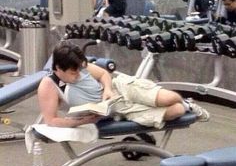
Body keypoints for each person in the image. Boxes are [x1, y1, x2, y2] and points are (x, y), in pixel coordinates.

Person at [37, 41, 210, 128]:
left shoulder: (79, 65)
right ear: (58, 68)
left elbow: (105, 73)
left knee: (170, 98)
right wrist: (82, 121)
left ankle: (188, 103)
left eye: (79, 71)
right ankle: (185, 106)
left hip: (120, 88)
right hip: (119, 109)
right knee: (176, 110)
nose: (77, 75)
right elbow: (51, 121)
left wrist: (107, 89)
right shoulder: (48, 86)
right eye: (73, 73)